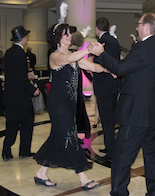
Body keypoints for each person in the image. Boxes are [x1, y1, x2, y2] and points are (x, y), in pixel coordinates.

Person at [88, 13, 155, 196]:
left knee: (121, 156)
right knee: (152, 155)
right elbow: (145, 73)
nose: (136, 28)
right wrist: (124, 73)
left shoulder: (142, 47)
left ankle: (119, 192)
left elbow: (121, 67)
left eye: (139, 24)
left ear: (147, 27)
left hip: (136, 115)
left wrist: (101, 54)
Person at [33, 23, 106, 190]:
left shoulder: (74, 54)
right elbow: (66, 60)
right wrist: (89, 50)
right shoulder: (54, 56)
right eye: (65, 34)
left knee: (57, 137)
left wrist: (110, 69)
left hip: (70, 103)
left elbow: (92, 66)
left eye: (69, 34)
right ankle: (83, 178)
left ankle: (41, 173)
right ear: (57, 38)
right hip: (58, 104)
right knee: (71, 137)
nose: (69, 36)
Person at [2, 25, 40, 161]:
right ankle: (24, 150)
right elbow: (20, 77)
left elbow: (12, 74)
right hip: (21, 96)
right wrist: (32, 88)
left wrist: (26, 75)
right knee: (27, 123)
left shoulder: (8, 52)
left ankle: (6, 150)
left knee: (11, 124)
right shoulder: (21, 54)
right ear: (23, 38)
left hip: (10, 95)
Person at [93, 17, 121, 162]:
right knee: (109, 119)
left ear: (97, 29)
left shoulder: (104, 42)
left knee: (107, 120)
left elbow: (105, 62)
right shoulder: (114, 40)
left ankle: (110, 150)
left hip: (104, 86)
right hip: (112, 86)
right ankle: (109, 145)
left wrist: (94, 58)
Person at [69, 31, 91, 139]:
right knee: (77, 111)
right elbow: (87, 68)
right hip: (75, 87)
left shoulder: (68, 53)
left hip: (71, 87)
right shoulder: (74, 55)